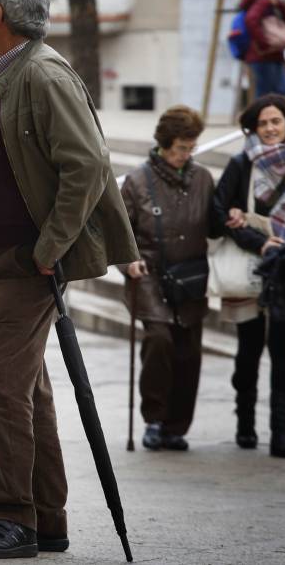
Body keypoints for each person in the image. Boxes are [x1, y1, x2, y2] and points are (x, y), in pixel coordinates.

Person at [0, 0, 138, 559]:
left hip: (25, 263)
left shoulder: (42, 72)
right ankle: (47, 519)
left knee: (3, 386)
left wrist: (48, 249)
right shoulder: (6, 74)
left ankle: (10, 518)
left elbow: (87, 165)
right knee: (28, 392)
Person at [213, 94, 285, 460]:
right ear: (253, 128)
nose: (270, 128)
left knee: (283, 349)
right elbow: (216, 215)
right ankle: (245, 421)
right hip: (250, 263)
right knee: (248, 349)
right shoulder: (240, 163)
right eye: (263, 123)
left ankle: (282, 431)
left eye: (276, 121)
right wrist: (259, 242)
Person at [119, 106, 218, 453]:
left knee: (189, 351)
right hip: (150, 274)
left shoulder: (203, 179)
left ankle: (177, 427)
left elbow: (215, 221)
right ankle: (154, 420)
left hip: (190, 276)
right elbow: (118, 233)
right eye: (180, 148)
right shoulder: (137, 182)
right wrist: (128, 261)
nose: (185, 155)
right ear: (163, 143)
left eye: (191, 148)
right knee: (159, 340)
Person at [241, 0, 285, 98]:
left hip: (272, 54)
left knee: (278, 91)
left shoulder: (273, 1)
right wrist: (264, 43)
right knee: (268, 94)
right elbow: (251, 20)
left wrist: (279, 4)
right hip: (263, 55)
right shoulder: (263, 1)